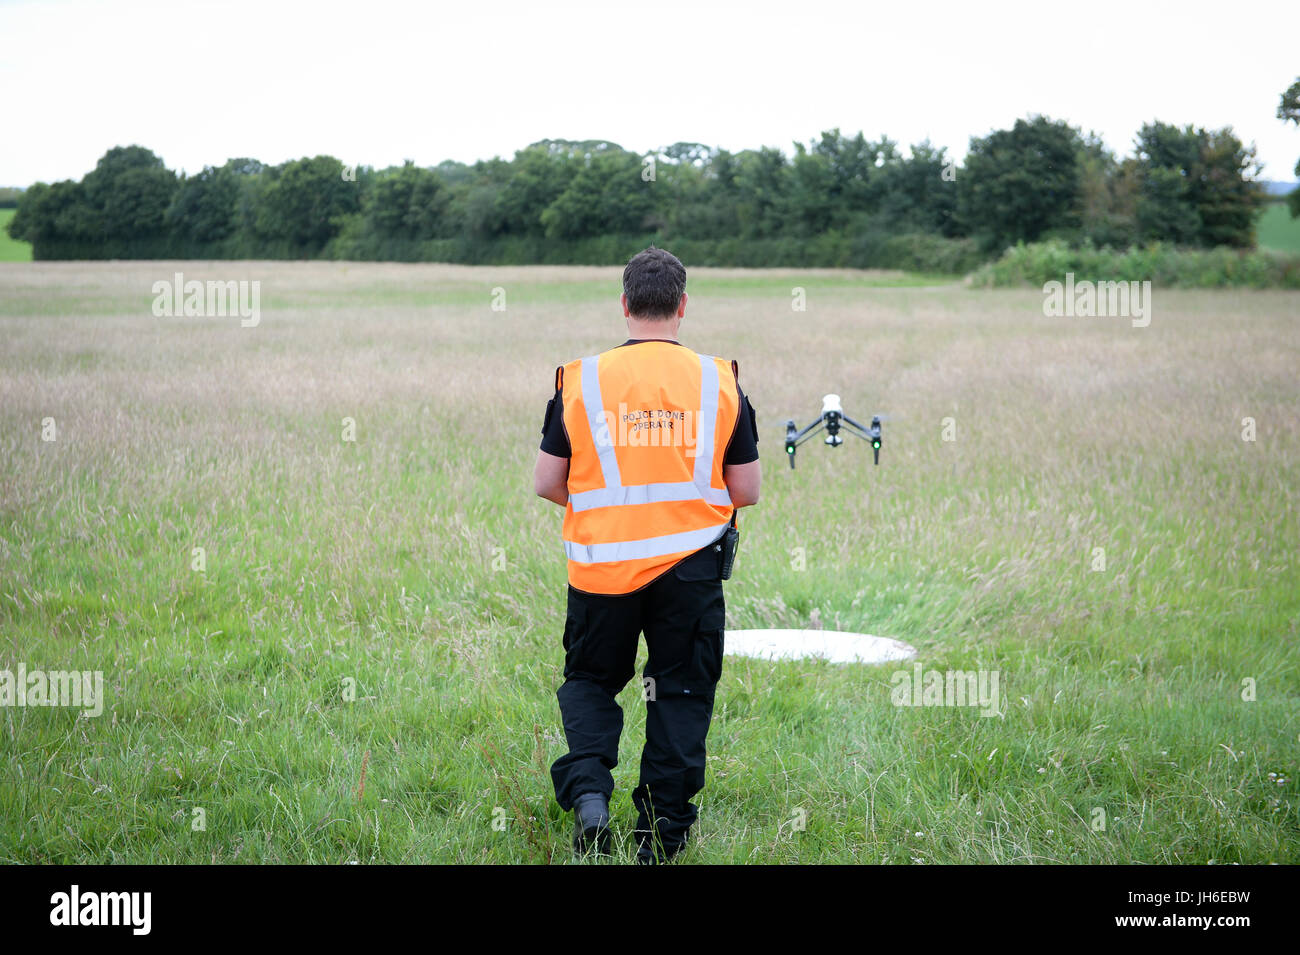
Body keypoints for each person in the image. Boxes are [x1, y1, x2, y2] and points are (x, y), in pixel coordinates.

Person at [533, 246, 761, 864]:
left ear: (626, 305)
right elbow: (747, 491)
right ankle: (662, 837)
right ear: (682, 306)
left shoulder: (581, 379)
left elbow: (547, 481)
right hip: (690, 571)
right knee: (679, 693)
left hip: (602, 569)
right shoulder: (721, 380)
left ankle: (589, 800)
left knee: (589, 681)